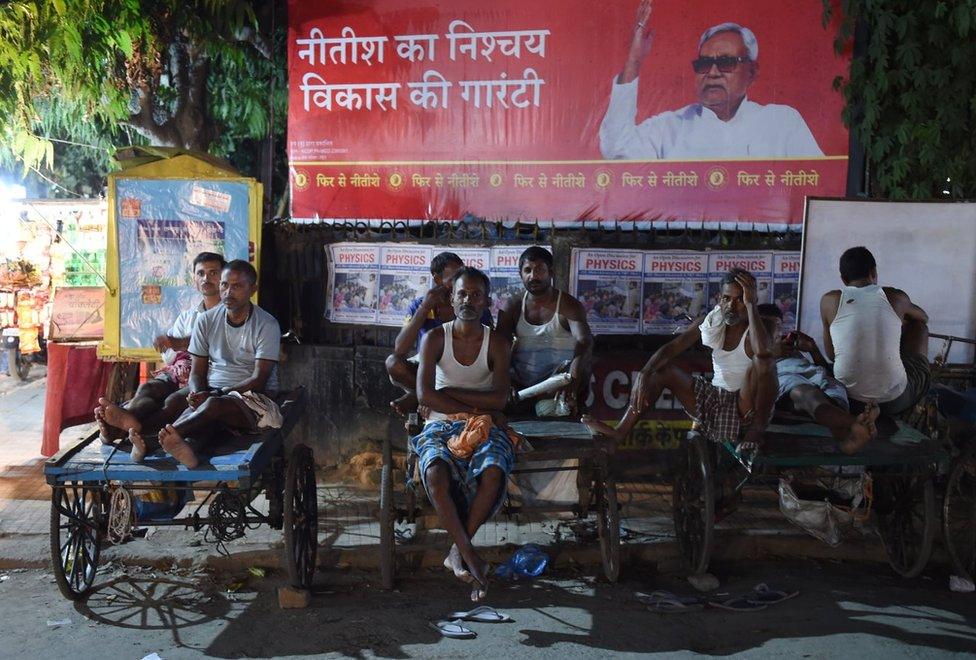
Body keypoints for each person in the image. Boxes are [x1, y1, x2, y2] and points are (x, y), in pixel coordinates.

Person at [106, 260, 283, 468]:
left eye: (237, 286)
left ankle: (152, 441)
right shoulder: (206, 320)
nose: (228, 292)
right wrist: (198, 393)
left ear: (252, 289)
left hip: (251, 396)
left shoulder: (266, 324)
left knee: (212, 406)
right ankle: (126, 432)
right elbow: (197, 372)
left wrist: (216, 394)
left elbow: (259, 380)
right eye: (225, 285)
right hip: (212, 388)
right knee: (174, 401)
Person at [599, 0, 823, 160]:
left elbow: (815, 184)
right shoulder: (671, 128)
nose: (713, 72)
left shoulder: (782, 123)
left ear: (752, 73)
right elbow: (616, 150)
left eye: (726, 63)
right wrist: (634, 62)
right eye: (704, 64)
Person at [582, 269, 777, 451]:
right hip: (715, 400)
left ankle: (756, 432)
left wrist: (751, 305)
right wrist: (644, 374)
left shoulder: (761, 327)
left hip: (745, 407)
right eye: (727, 299)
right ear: (720, 299)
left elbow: (763, 353)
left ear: (751, 299)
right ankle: (619, 434)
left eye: (740, 300)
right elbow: (673, 348)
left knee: (761, 363)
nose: (732, 306)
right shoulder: (712, 322)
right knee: (662, 371)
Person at [411, 267, 515, 602]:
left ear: (487, 302)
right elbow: (425, 396)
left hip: (482, 424)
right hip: (441, 422)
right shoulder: (435, 338)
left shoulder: (497, 343)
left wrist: (455, 396)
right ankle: (470, 555)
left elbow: (500, 398)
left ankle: (459, 551)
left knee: (494, 471)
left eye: (476, 295)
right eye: (462, 294)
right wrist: (475, 405)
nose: (468, 300)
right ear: (451, 299)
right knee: (434, 472)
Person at [95, 252, 225, 461]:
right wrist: (171, 348)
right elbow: (169, 356)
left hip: (207, 374)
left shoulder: (229, 313)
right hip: (179, 371)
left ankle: (130, 434)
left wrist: (176, 343)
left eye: (213, 273)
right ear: (194, 279)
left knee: (173, 402)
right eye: (200, 273)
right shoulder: (188, 315)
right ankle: (127, 422)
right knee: (149, 388)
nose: (206, 278)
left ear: (224, 278)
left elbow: (213, 343)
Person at [820, 246, 931, 419]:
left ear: (843, 279)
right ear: (873, 272)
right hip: (894, 401)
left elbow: (832, 355)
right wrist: (902, 317)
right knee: (919, 327)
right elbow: (923, 317)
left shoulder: (829, 300)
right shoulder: (896, 296)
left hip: (849, 399)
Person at [757, 304, 878, 453]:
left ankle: (849, 437)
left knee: (833, 391)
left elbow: (822, 372)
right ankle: (856, 423)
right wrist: (770, 353)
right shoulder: (749, 350)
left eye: (778, 330)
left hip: (817, 379)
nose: (778, 336)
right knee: (806, 393)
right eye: (769, 332)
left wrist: (813, 349)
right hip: (785, 379)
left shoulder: (791, 350)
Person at [385, 252, 493, 416]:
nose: (459, 283)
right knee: (393, 363)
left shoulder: (471, 304)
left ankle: (423, 397)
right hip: (429, 370)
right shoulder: (421, 306)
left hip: (463, 368)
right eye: (453, 279)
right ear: (437, 279)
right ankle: (427, 396)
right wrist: (425, 308)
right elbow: (400, 349)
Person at [496, 246, 593, 415]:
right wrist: (504, 382)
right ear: (520, 275)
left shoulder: (569, 305)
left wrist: (573, 377)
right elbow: (499, 347)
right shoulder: (512, 306)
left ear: (551, 272)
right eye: (528, 270)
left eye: (540, 269)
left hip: (558, 383)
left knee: (582, 371)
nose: (533, 276)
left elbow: (584, 342)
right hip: (523, 386)